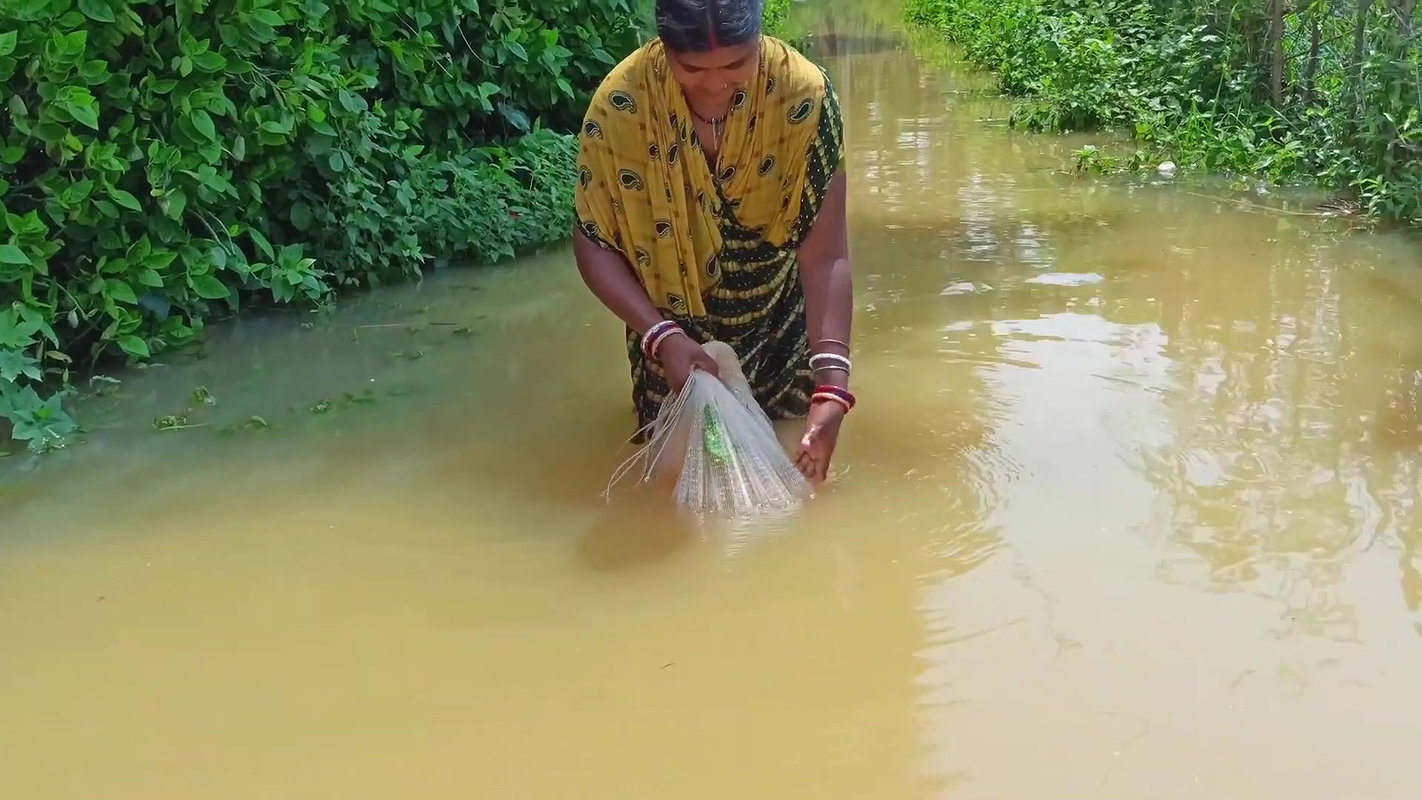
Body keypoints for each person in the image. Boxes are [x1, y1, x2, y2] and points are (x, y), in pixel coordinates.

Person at [572, 0, 855, 484]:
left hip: (776, 324)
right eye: (692, 68)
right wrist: (660, 337)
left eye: (735, 64)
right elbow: (594, 239)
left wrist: (832, 388)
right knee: (675, 476)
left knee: (786, 457)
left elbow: (825, 254)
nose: (716, 83)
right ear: (664, 47)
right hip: (670, 335)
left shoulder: (801, 97)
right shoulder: (625, 101)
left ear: (760, 37)